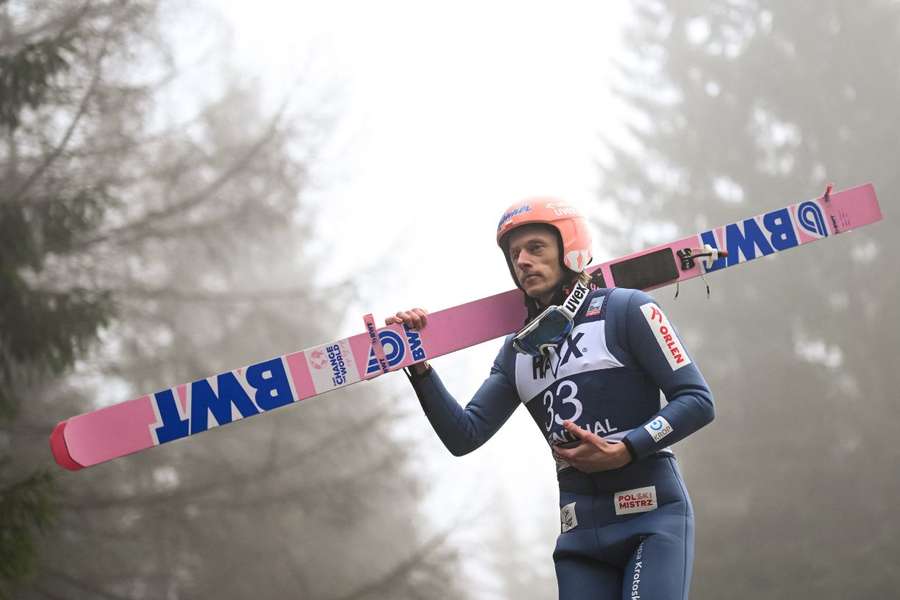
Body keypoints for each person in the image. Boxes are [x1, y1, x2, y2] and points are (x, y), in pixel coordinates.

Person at [388, 198, 715, 599]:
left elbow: (697, 400)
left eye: (536, 248)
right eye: (514, 254)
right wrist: (419, 367)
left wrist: (628, 448)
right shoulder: (516, 352)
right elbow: (464, 435)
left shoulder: (628, 308)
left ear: (570, 248)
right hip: (580, 539)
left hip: (652, 518)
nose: (522, 260)